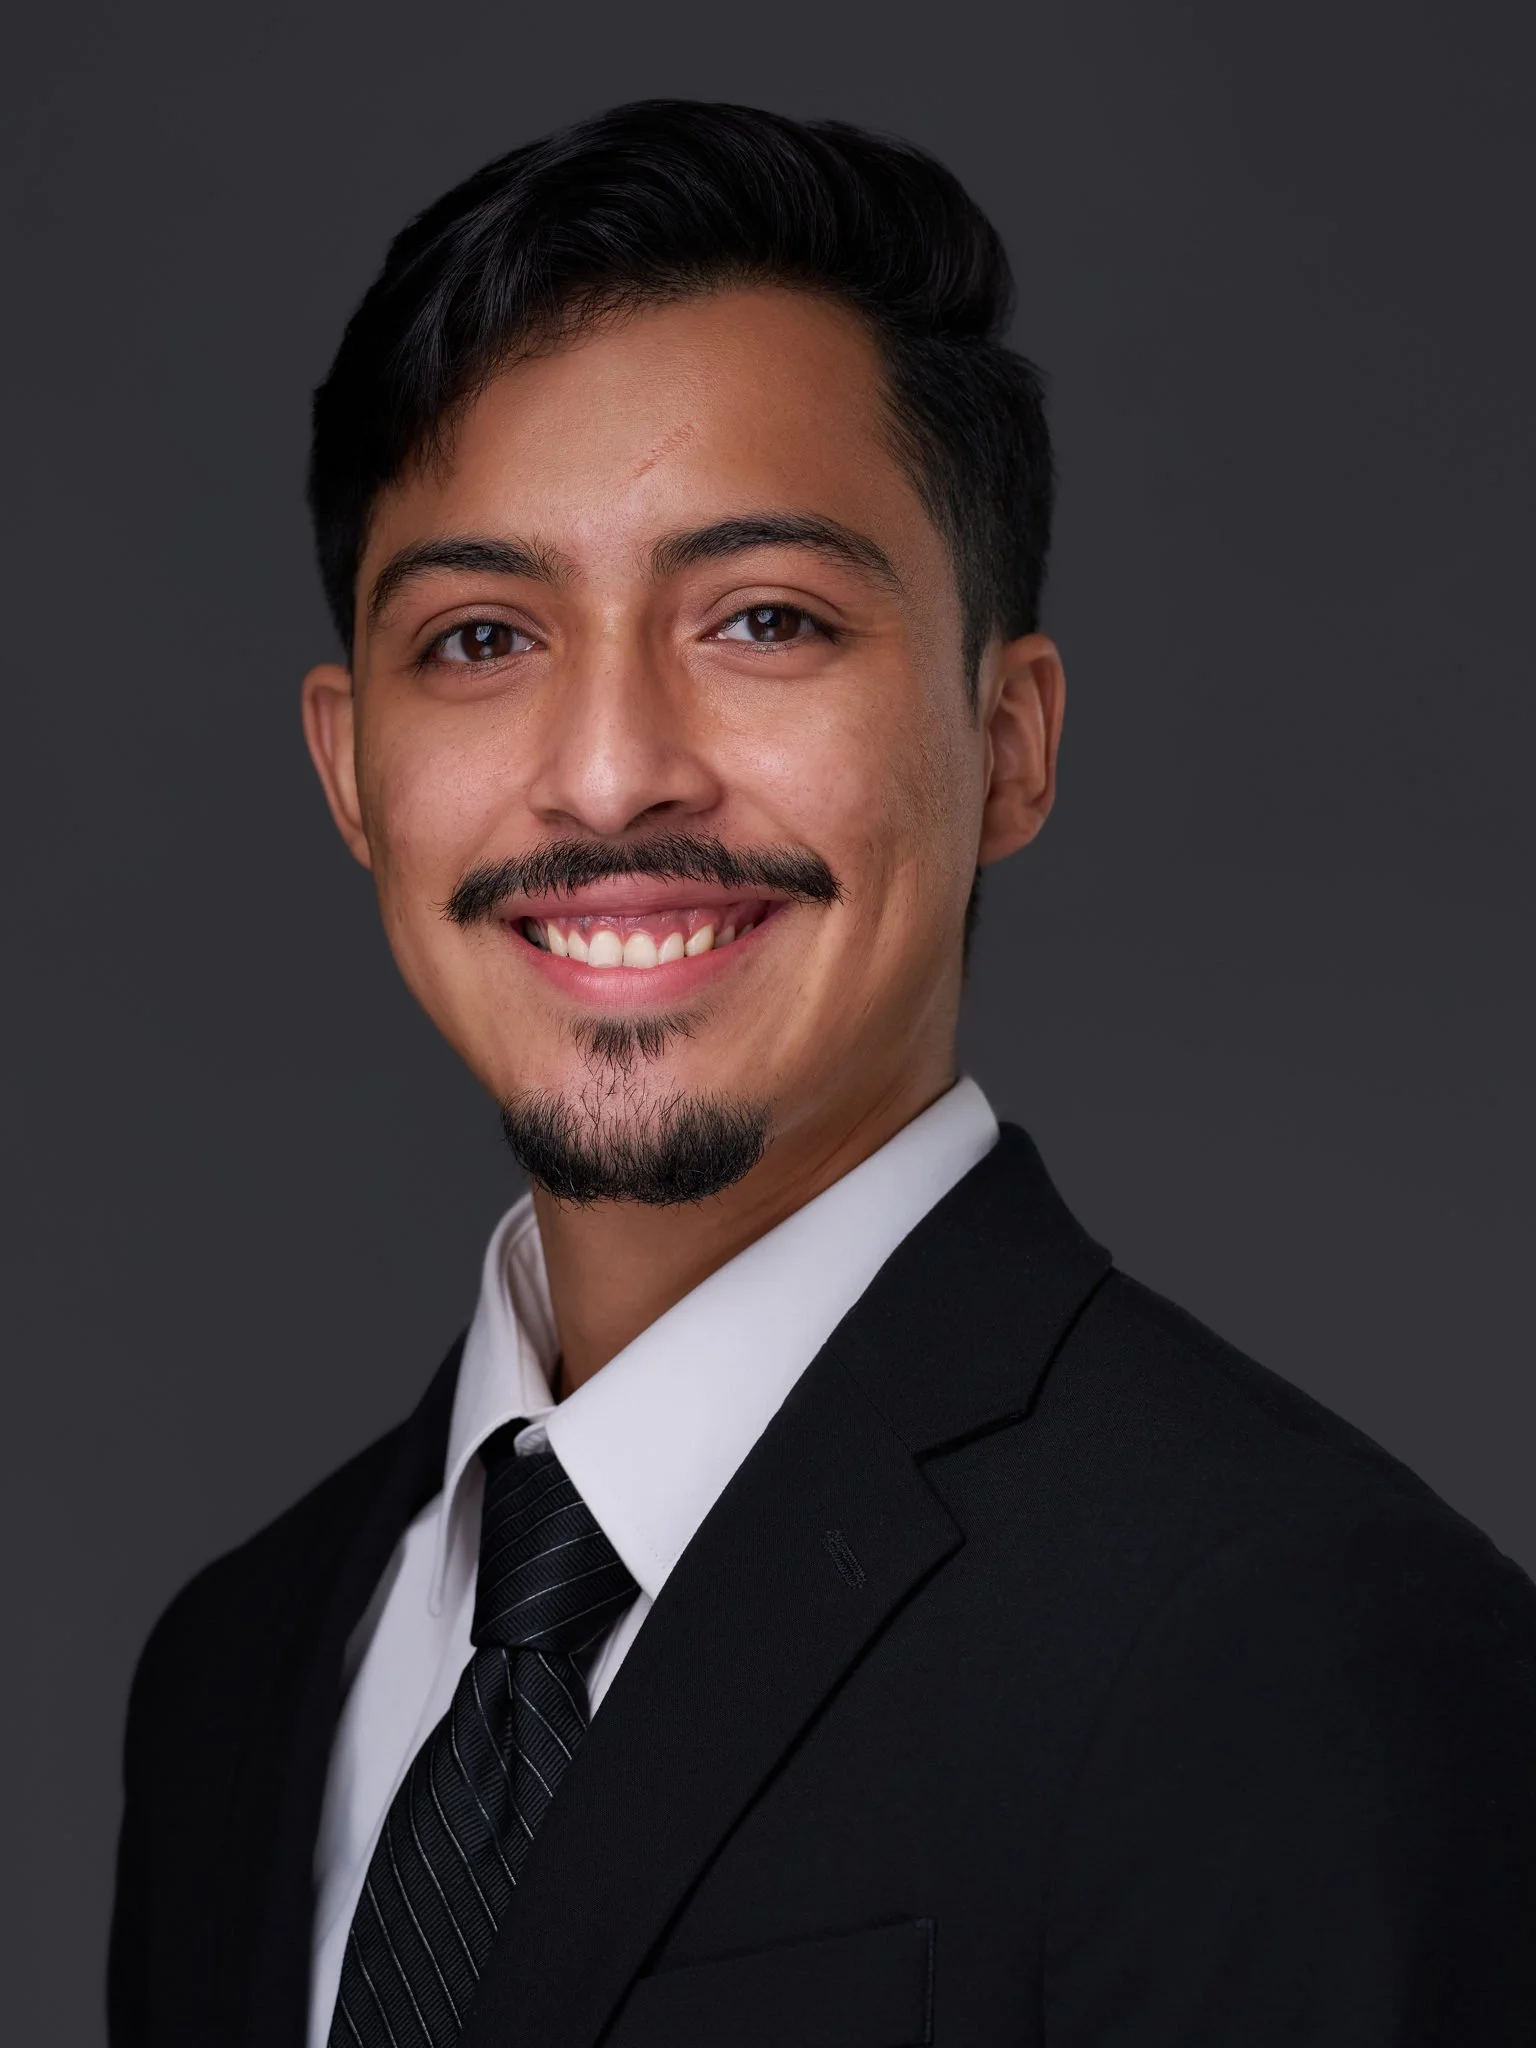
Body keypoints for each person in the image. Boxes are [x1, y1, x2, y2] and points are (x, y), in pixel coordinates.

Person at [108, 99, 1536, 2048]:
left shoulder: (1288, 1638)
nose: (609, 768)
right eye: (482, 635)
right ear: (348, 766)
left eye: (764, 618)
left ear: (1011, 740)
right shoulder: (241, 1672)